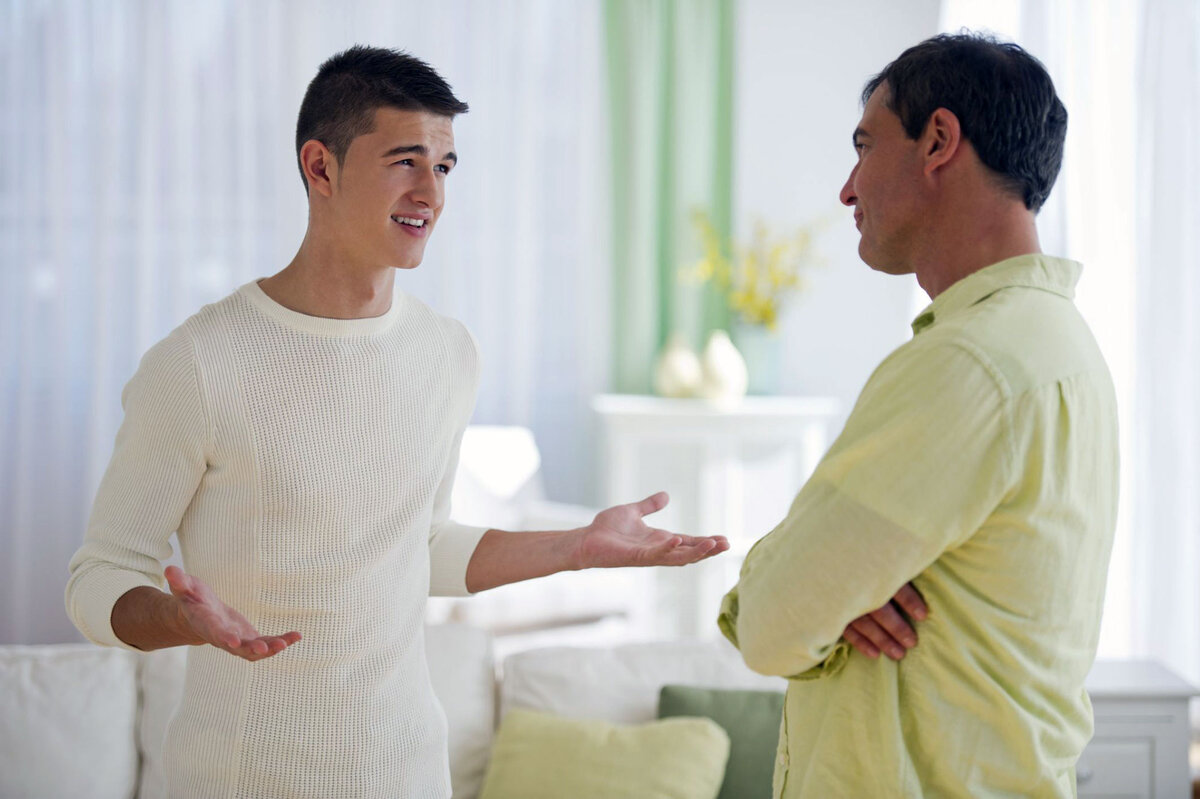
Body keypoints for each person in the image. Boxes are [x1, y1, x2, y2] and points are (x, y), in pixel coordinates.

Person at [65, 45, 728, 798]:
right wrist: (184, 622)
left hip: (407, 773)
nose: (431, 193)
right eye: (405, 161)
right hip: (241, 778)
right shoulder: (199, 362)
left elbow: (421, 545)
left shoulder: (447, 353)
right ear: (320, 167)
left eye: (443, 166)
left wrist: (576, 547)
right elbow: (101, 575)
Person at [719, 33, 1118, 797]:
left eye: (865, 146)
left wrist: (795, 587)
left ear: (937, 141)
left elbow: (769, 625)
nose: (847, 190)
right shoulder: (1061, 344)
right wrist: (828, 593)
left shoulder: (968, 363)